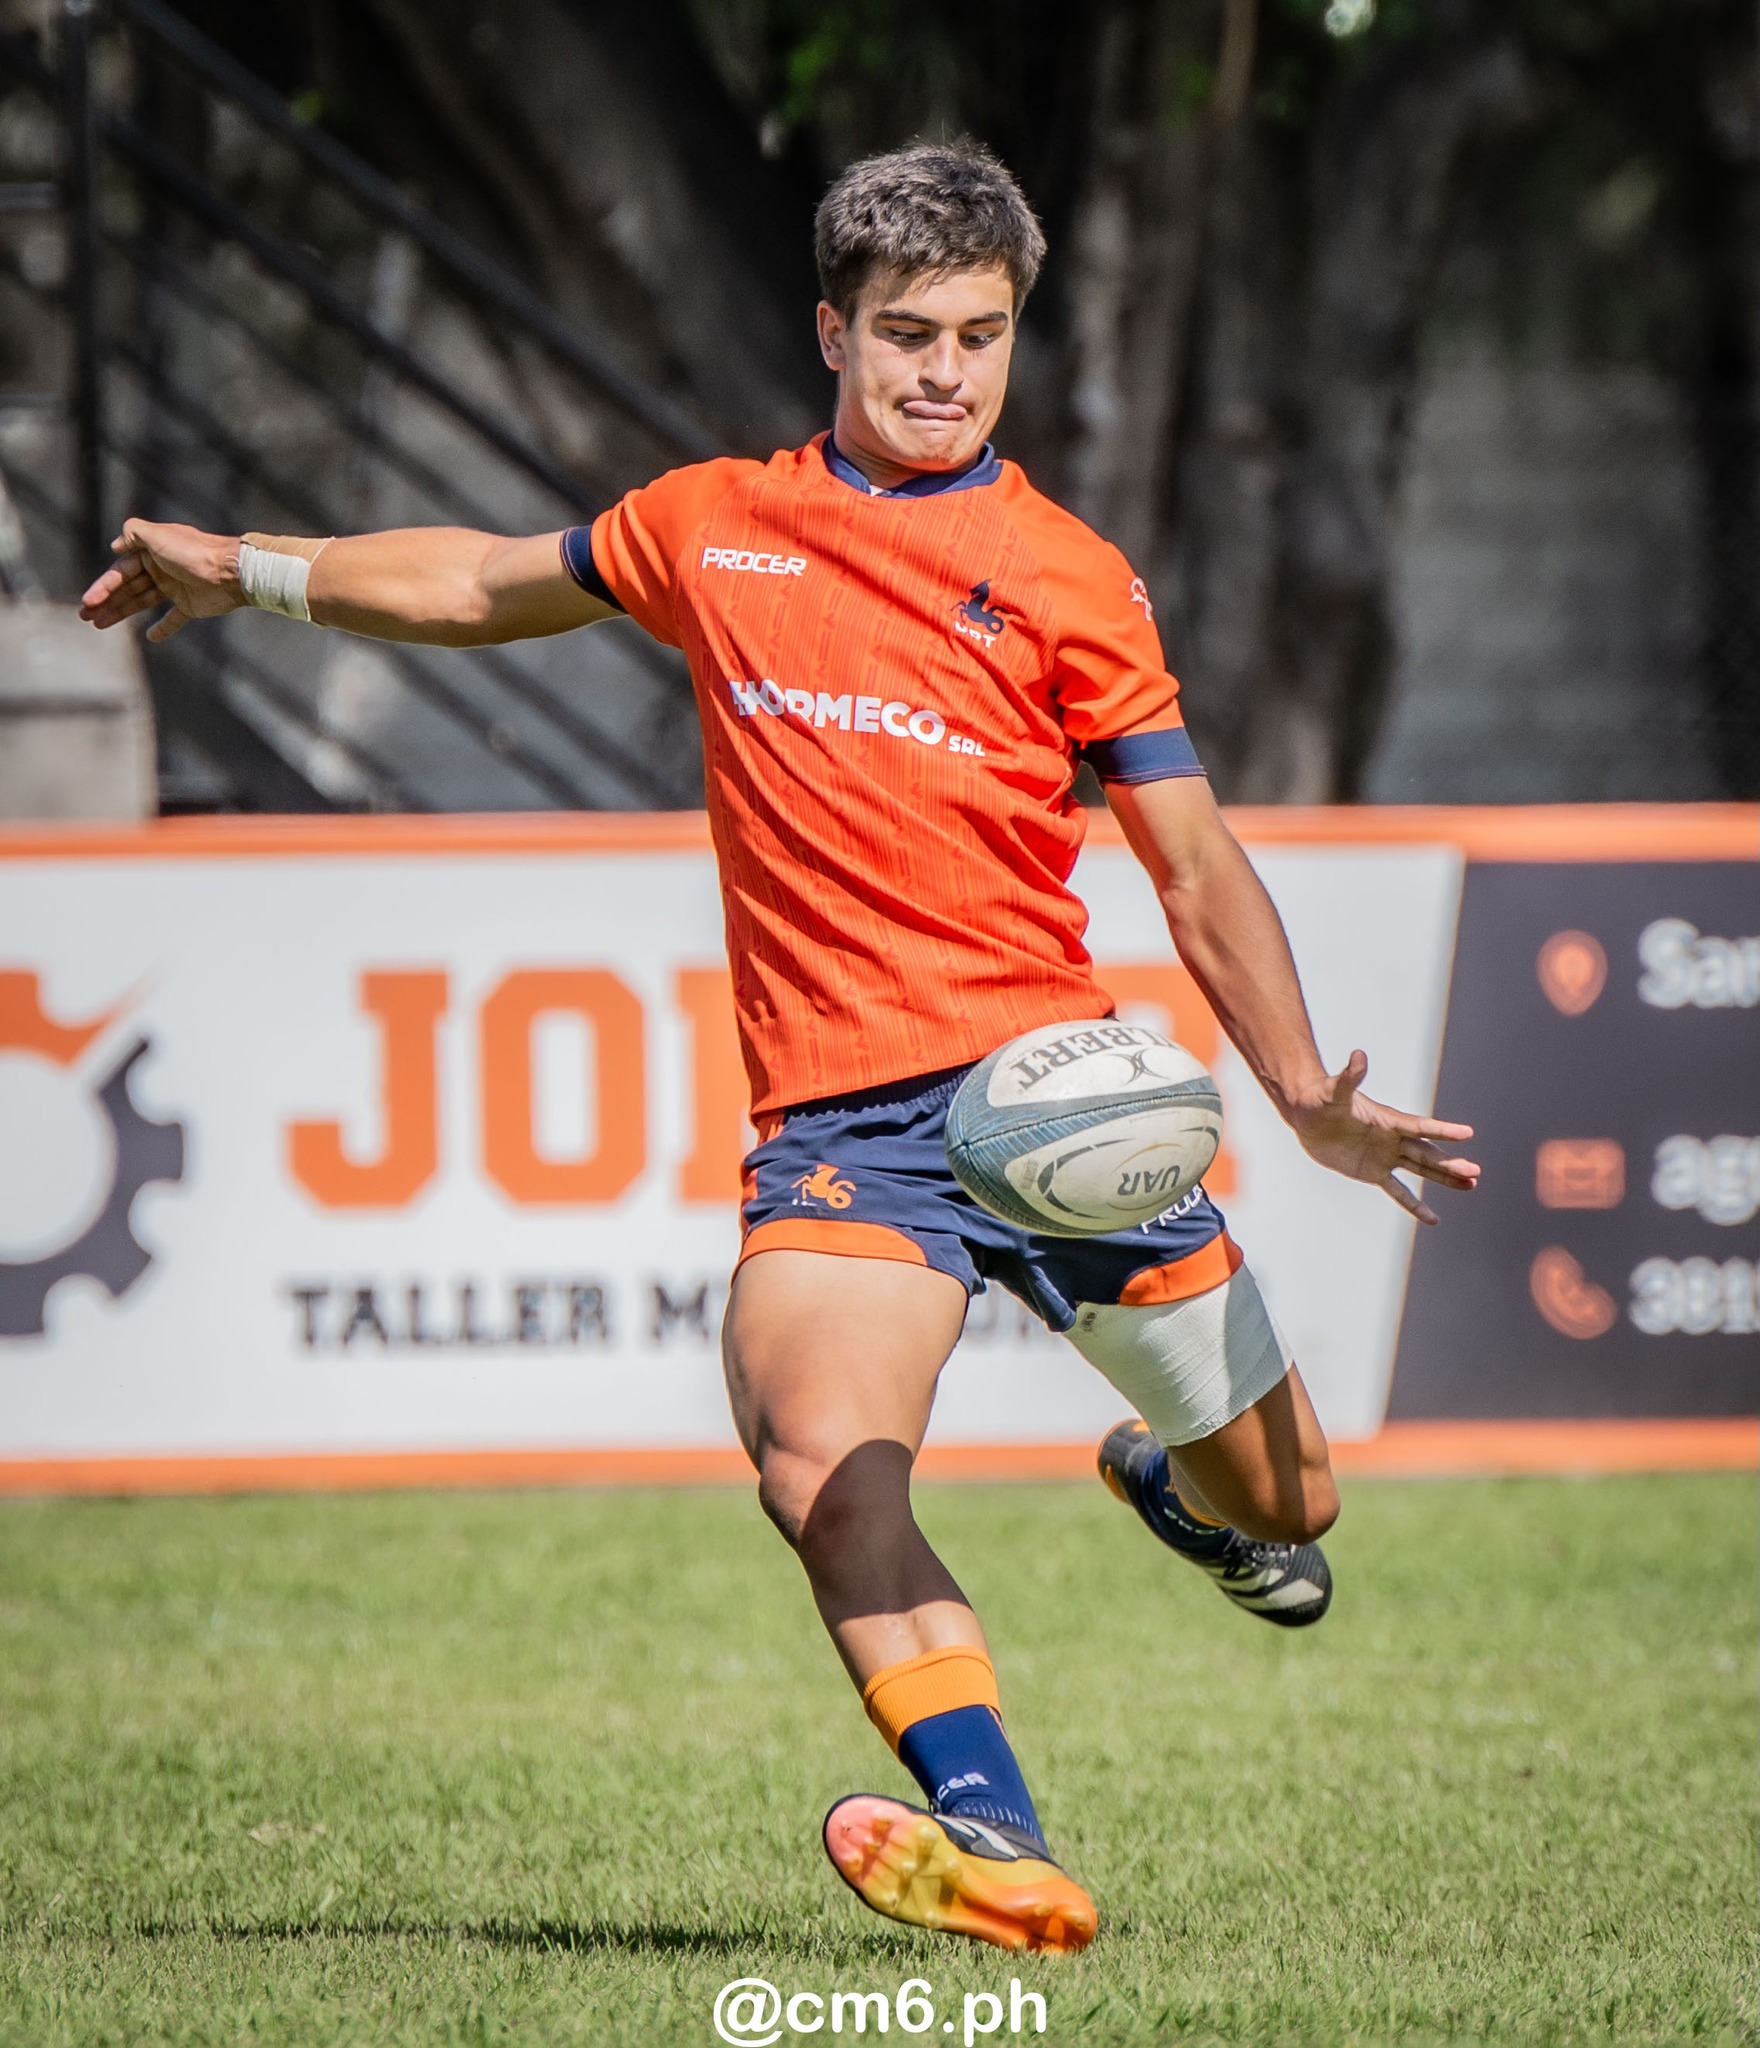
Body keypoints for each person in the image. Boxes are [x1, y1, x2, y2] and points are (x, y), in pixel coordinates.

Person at [81, 139, 1478, 1956]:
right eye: (906, 333)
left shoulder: (1070, 577)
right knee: (820, 1460)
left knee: (1295, 1502)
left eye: (981, 336)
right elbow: (477, 584)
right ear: (832, 329)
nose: (945, 373)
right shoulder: (715, 522)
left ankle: (1181, 1495)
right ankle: (999, 1841)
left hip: (1059, 1103)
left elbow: (1192, 855)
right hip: (852, 1121)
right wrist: (247, 568)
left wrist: (1302, 1098)